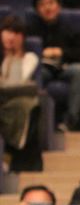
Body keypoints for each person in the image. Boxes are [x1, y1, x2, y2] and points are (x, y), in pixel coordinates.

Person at [27, 0, 80, 132]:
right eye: (42, 5)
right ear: (37, 10)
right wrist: (41, 53)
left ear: (59, 6)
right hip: (44, 68)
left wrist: (61, 52)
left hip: (66, 66)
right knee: (37, 75)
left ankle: (71, 120)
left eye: (50, 3)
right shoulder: (31, 29)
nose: (47, 8)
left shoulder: (72, 27)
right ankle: (38, 122)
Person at [0, 16, 43, 172]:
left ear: (23, 37)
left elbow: (19, 83)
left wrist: (15, 56)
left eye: (16, 33)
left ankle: (17, 160)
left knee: (28, 106)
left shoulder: (29, 58)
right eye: (7, 31)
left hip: (15, 102)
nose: (11, 37)